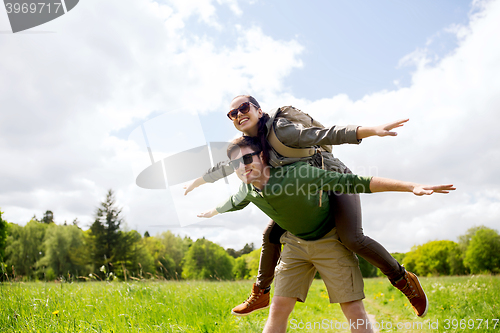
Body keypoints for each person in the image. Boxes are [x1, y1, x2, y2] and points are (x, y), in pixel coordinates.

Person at [184, 95, 426, 317]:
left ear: (258, 110)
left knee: (351, 238)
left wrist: (370, 130)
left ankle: (402, 278)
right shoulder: (250, 143)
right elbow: (228, 166)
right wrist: (200, 180)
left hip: (332, 178)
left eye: (243, 108)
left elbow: (325, 135)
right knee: (270, 235)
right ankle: (261, 292)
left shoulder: (281, 131)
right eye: (232, 114)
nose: (238, 114)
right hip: (303, 186)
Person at [198, 136, 455, 332]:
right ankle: (260, 292)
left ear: (263, 155)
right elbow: (230, 201)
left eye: (247, 158)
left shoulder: (296, 174)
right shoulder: (247, 190)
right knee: (277, 309)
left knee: (353, 309)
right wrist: (211, 211)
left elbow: (358, 182)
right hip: (295, 245)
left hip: (331, 238)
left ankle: (403, 279)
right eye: (235, 164)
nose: (242, 167)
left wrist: (411, 187)